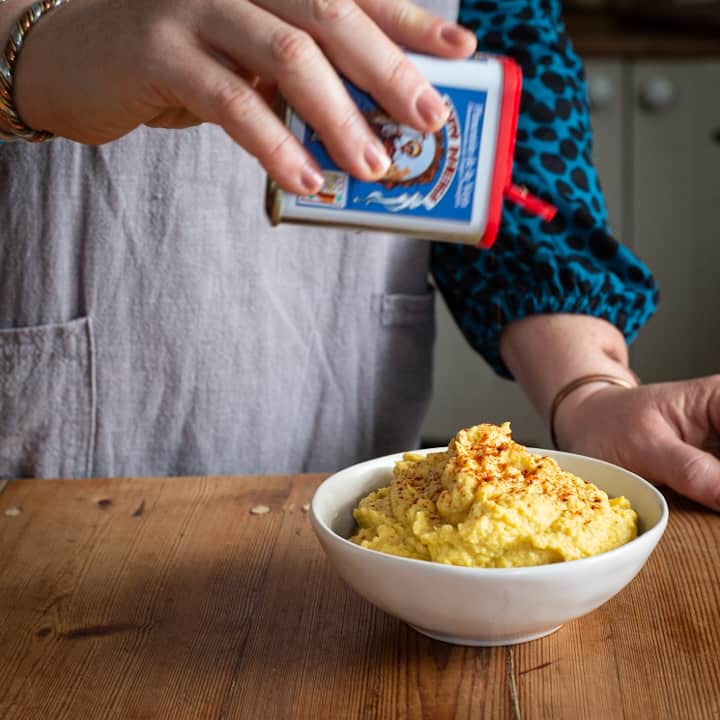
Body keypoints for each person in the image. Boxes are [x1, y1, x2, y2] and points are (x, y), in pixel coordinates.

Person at [0, 0, 717, 511]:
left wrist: (588, 391)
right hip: (40, 485)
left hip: (338, 474)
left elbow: (517, 160)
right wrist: (32, 46)